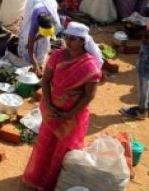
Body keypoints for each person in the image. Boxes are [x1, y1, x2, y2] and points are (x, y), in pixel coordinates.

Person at [22, 23, 102, 191]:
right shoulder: (57, 55)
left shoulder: (90, 66)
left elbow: (89, 95)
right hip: (51, 109)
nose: (68, 41)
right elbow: (45, 80)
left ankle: (54, 183)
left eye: (73, 39)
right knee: (45, 144)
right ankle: (38, 178)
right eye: (66, 37)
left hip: (73, 115)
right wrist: (49, 105)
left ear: (82, 41)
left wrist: (69, 114)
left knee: (62, 149)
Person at [18, 0, 61, 77]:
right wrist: (35, 65)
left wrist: (36, 39)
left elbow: (47, 32)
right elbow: (30, 48)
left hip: (49, 1)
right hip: (34, 0)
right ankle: (32, 61)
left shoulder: (53, 18)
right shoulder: (34, 24)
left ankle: (40, 59)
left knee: (44, 41)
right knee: (26, 36)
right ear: (39, 26)